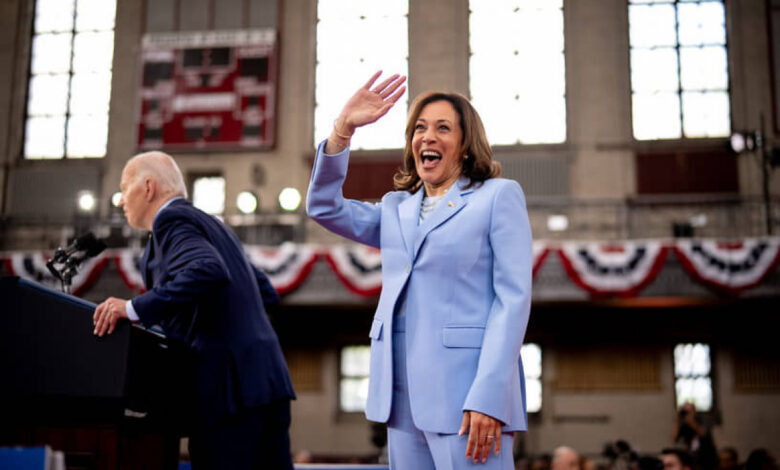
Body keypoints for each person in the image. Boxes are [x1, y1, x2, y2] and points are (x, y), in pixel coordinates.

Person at [306, 71, 533, 469]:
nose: (427, 136)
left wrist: (489, 396)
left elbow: (512, 302)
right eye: (419, 129)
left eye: (443, 128)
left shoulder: (498, 197)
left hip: (467, 399)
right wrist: (342, 130)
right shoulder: (397, 208)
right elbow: (324, 206)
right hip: (400, 399)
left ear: (464, 145)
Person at [92, 151, 296, 469]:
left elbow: (207, 270)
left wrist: (133, 308)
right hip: (266, 382)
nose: (120, 200)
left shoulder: (172, 222)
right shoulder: (215, 226)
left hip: (227, 395)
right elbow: (265, 293)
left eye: (124, 186)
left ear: (148, 187)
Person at [673, 403, 718, 470]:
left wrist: (691, 422)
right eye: (685, 411)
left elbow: (703, 433)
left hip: (707, 456)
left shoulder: (703, 419)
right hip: (693, 457)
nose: (687, 414)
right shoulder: (684, 425)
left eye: (689, 411)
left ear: (694, 411)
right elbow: (674, 438)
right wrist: (677, 421)